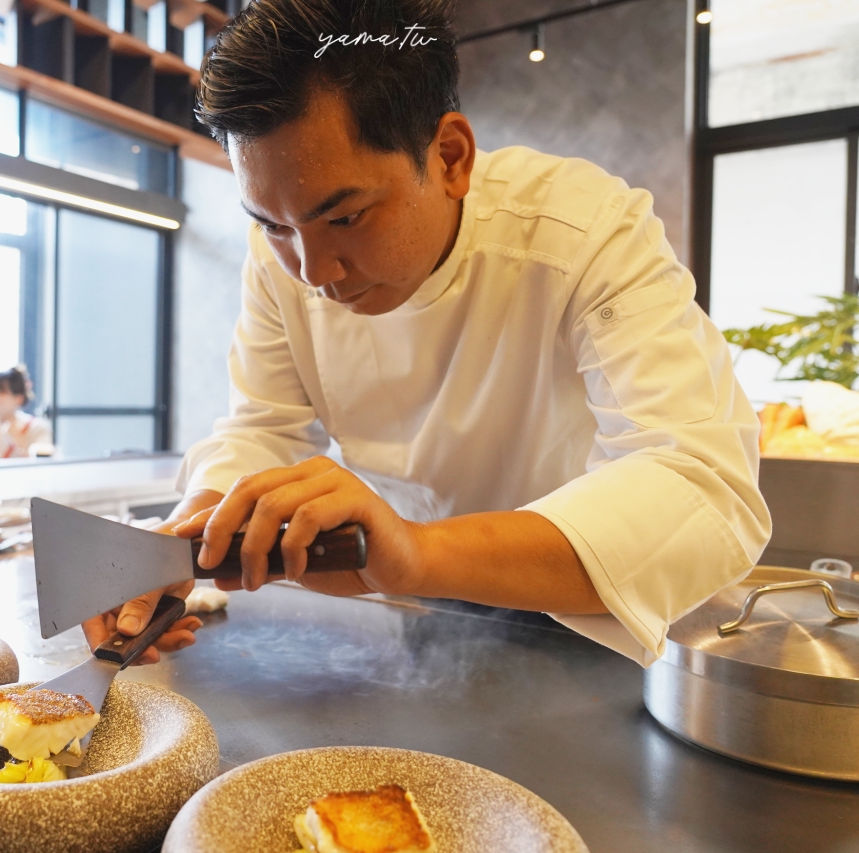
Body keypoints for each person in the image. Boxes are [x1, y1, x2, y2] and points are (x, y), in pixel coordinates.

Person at [85, 0, 772, 668]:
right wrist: (193, 531)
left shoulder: (583, 232)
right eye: (273, 224)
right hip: (418, 620)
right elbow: (262, 428)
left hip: (601, 623)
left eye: (346, 218)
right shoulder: (281, 260)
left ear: (449, 157)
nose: (315, 271)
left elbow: (701, 484)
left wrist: (415, 552)